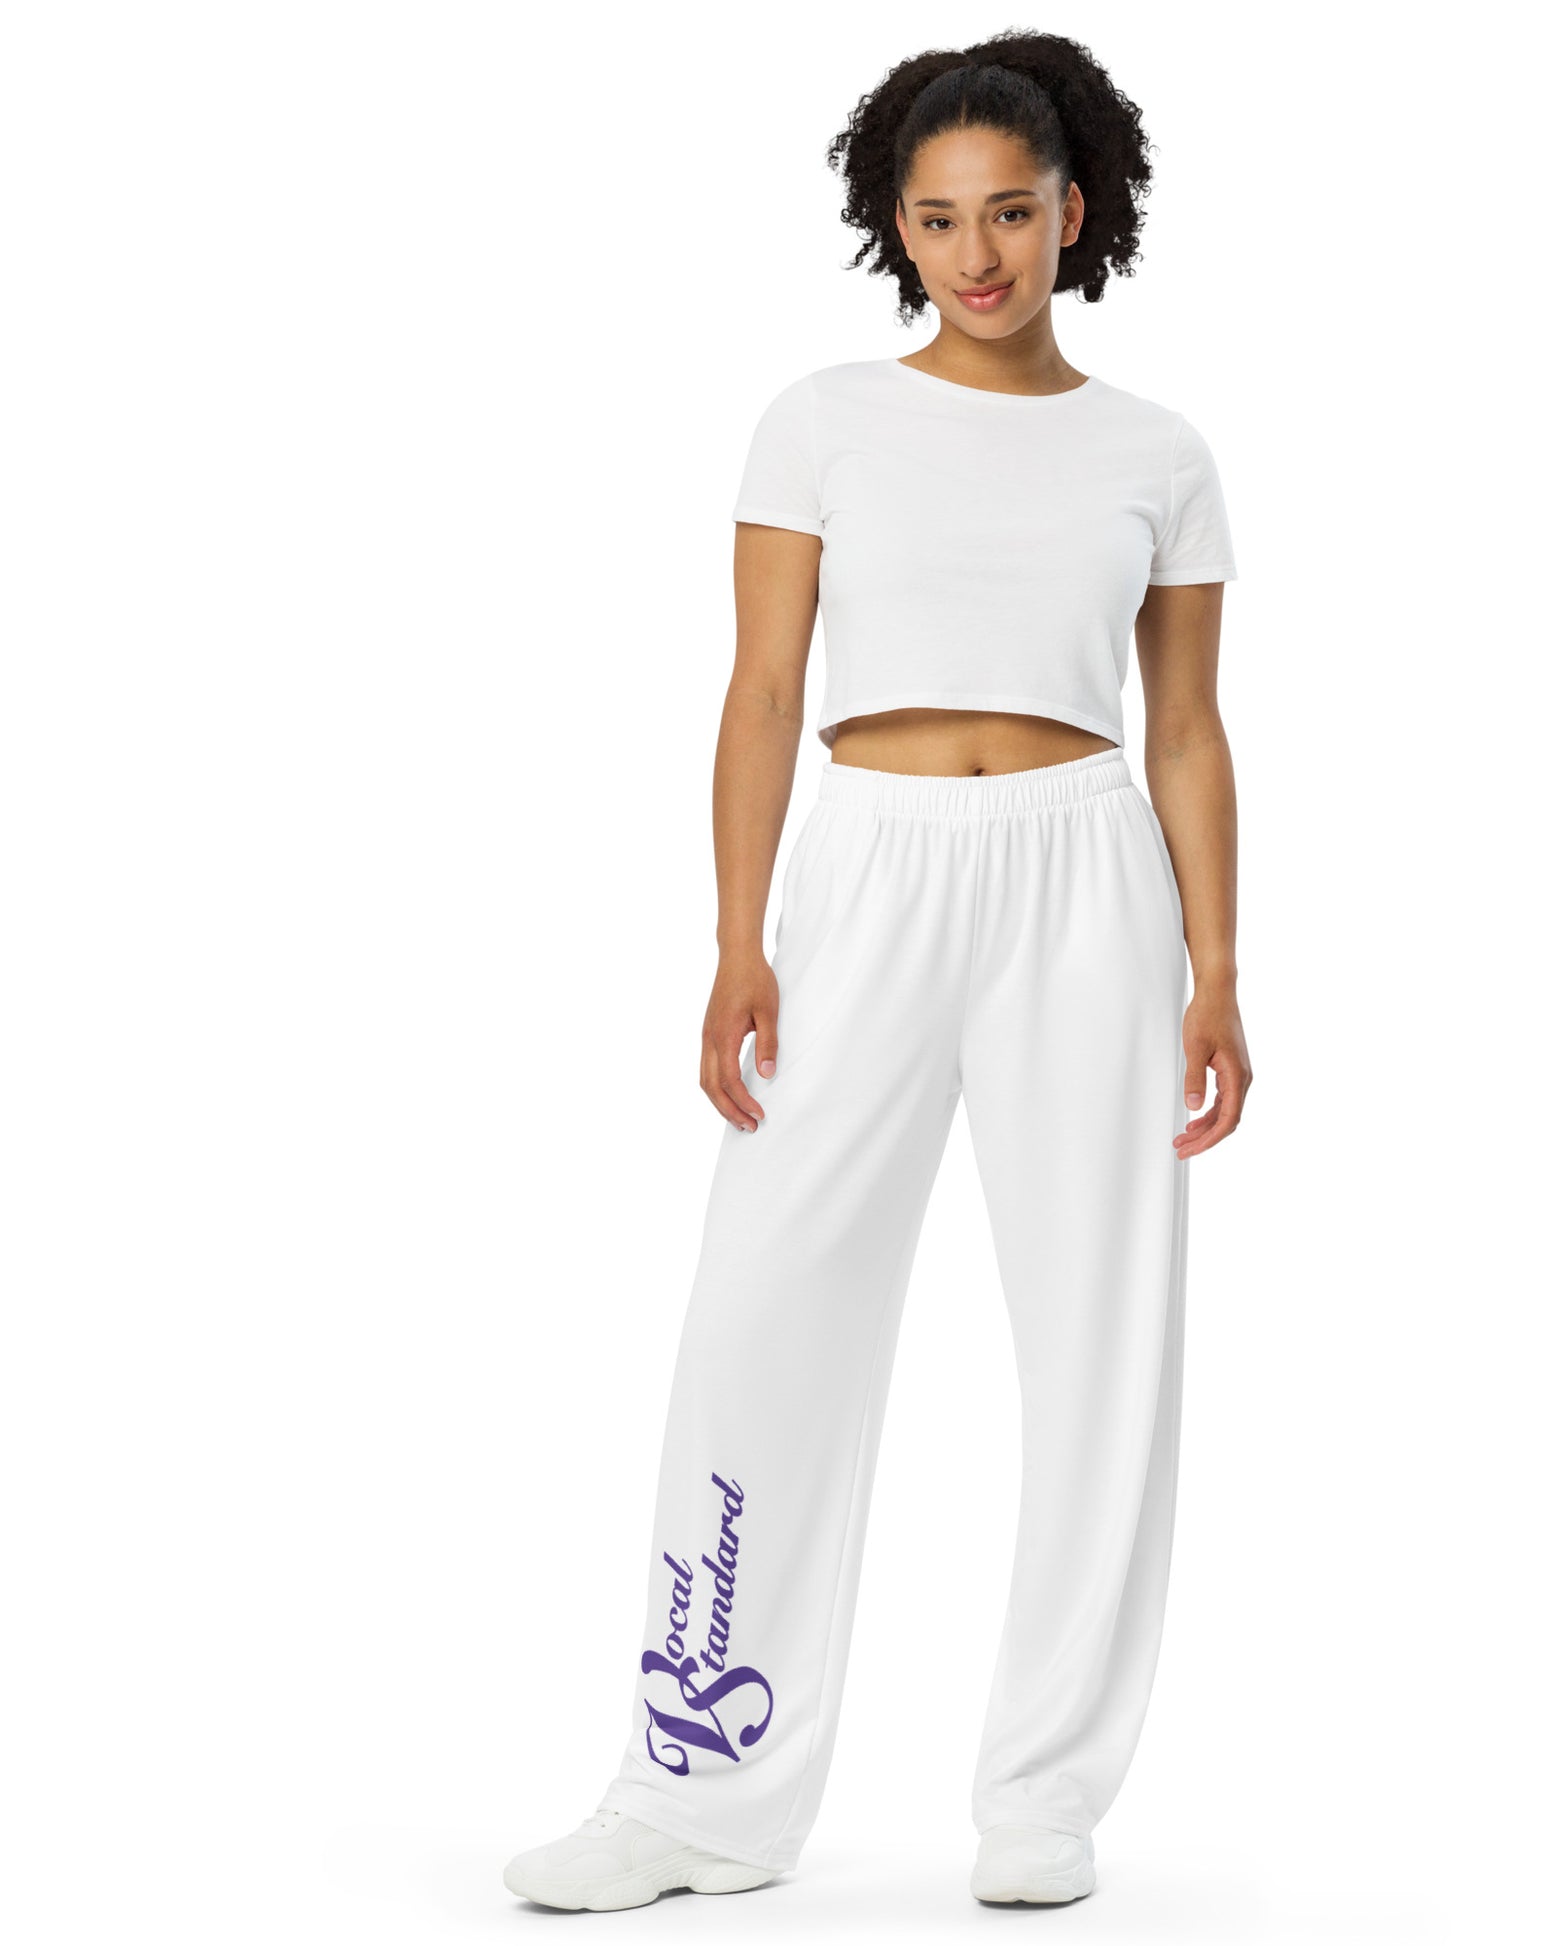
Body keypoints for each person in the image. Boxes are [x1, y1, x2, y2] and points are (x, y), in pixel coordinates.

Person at [503, 29, 1252, 1913]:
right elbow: (763, 690)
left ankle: (1044, 1793)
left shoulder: (1157, 453)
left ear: (1073, 212)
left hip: (1085, 876)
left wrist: (1217, 968)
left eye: (1008, 212)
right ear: (892, 227)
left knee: (1100, 1333)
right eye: (935, 219)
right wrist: (735, 936)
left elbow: (1184, 730)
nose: (973, 253)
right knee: (763, 1304)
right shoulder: (821, 419)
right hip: (866, 872)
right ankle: (696, 1781)